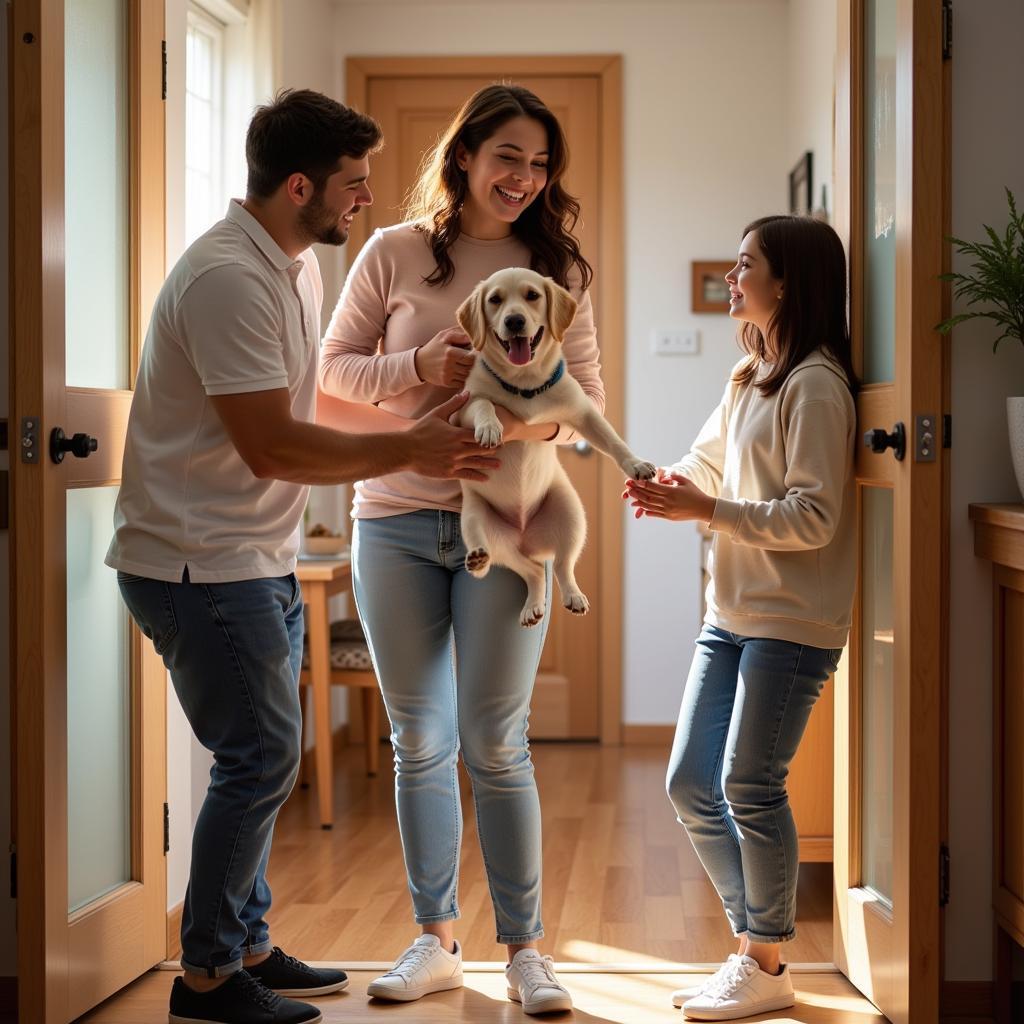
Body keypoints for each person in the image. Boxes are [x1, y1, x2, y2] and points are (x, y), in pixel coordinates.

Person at [106, 89, 498, 1024]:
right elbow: (273, 448)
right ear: (297, 186)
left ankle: (245, 944)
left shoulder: (292, 267)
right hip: (194, 563)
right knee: (262, 755)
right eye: (353, 185)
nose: (364, 201)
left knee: (259, 755)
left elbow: (313, 408)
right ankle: (206, 979)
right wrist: (409, 453)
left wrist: (418, 418)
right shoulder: (226, 280)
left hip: (253, 555)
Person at [318, 83, 606, 1016]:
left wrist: (513, 426)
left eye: (539, 163)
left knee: (495, 738)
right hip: (394, 521)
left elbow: (584, 404)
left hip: (509, 528)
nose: (524, 177)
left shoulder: (554, 269)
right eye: (508, 157)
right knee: (420, 740)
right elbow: (327, 378)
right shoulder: (392, 252)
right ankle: (434, 940)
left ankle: (526, 954)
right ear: (466, 158)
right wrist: (420, 369)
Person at [624, 216, 858, 1021]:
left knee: (750, 786)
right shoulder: (750, 372)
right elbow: (707, 462)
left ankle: (764, 959)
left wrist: (708, 508)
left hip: (793, 621)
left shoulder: (816, 385)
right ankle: (756, 946)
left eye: (745, 264)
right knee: (692, 781)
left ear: (787, 282)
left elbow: (814, 517)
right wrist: (668, 483)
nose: (732, 275)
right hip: (733, 612)